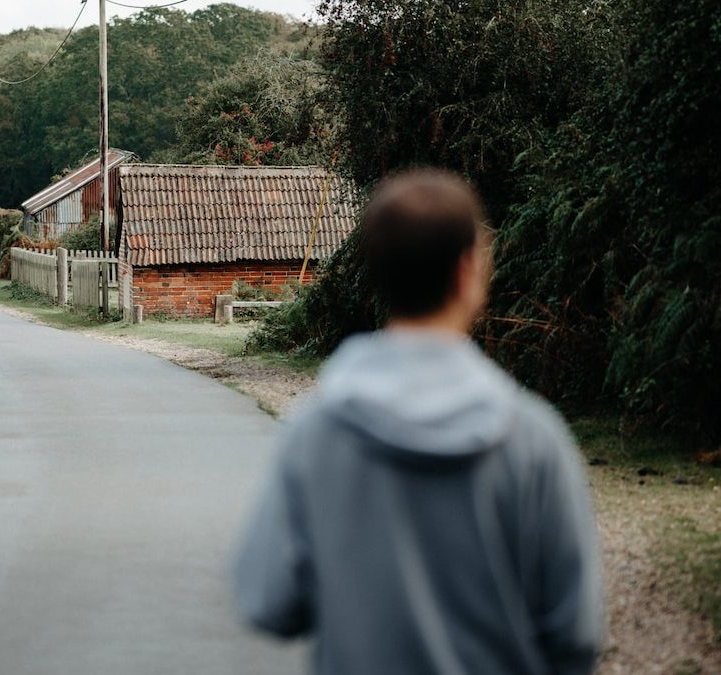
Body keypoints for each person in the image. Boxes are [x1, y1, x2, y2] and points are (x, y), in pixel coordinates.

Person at [232, 169, 606, 674]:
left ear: (380, 274)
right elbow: (576, 632)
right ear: (466, 272)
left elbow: (267, 601)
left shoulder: (316, 434)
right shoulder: (534, 438)